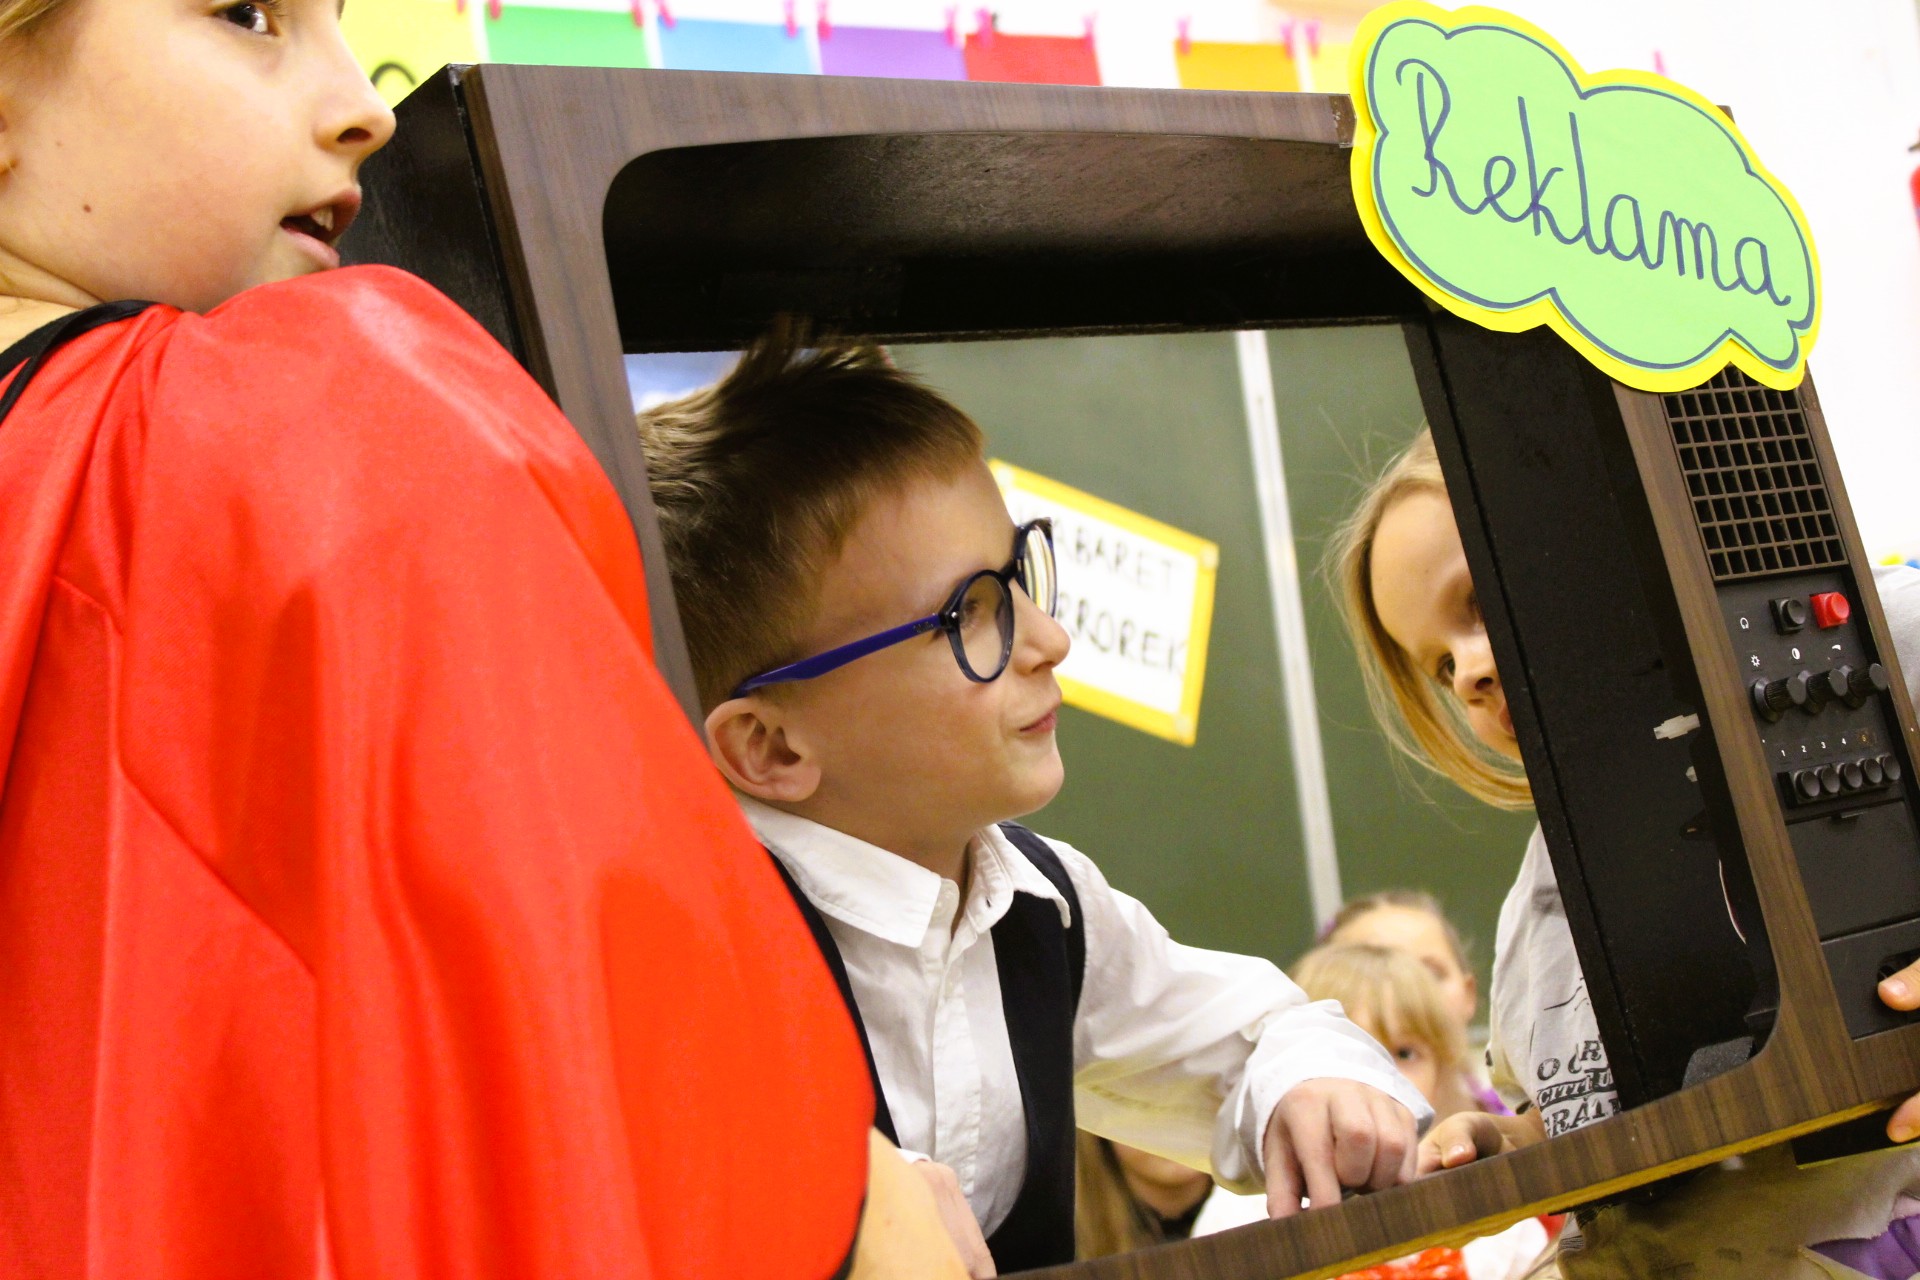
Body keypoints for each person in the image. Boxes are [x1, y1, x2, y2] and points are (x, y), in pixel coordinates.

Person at [0, 0, 959, 1275]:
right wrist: (870, 1207)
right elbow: (641, 1045)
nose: (367, 106)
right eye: (247, 14)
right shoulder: (324, 409)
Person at [636, 333, 1432, 1275]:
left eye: (1019, 577)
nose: (1050, 639)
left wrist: (1311, 1076)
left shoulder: (1040, 901)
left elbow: (1260, 1033)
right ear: (771, 746)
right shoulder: (684, 958)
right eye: (968, 614)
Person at [1331, 427, 1920, 1278]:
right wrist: (1516, 1143)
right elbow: (1616, 1112)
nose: (1466, 674)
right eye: (1438, 664)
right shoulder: (1541, 893)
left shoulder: (1870, 646)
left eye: (1479, 605)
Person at [1322, 890, 1499, 1120]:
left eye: (1430, 972)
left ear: (1469, 994)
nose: (1408, 990)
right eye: (1373, 970)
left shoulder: (1529, 1122)